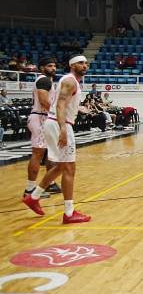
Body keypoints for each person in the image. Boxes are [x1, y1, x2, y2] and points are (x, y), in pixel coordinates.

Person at [22, 55, 92, 223]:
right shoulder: (70, 81)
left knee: (61, 166)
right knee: (69, 168)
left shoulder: (70, 81)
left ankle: (34, 196)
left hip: (55, 122)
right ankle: (69, 213)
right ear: (72, 65)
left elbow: (63, 103)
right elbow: (60, 104)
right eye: (81, 63)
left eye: (86, 63)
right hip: (58, 123)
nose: (85, 65)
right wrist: (63, 129)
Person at [24, 57, 62, 199]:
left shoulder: (48, 81)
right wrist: (58, 115)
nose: (53, 68)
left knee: (50, 153)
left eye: (54, 65)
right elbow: (44, 101)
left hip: (45, 118)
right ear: (41, 68)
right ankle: (29, 189)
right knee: (38, 154)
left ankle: (49, 183)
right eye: (50, 66)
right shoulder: (43, 80)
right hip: (39, 118)